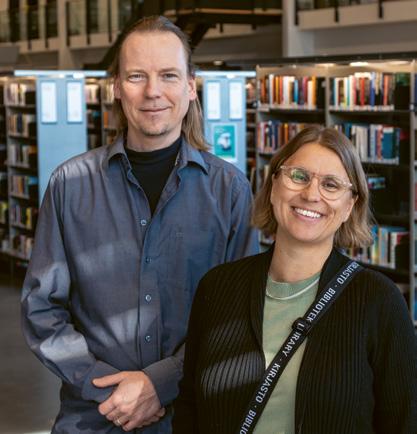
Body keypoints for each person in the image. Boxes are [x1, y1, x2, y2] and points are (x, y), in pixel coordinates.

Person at [21, 16, 258, 434]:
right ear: (116, 86)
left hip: (190, 419)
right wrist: (106, 387)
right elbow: (42, 308)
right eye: (136, 76)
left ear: (190, 86)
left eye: (168, 75)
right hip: (92, 419)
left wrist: (160, 383)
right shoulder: (69, 185)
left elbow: (241, 317)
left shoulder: (230, 191)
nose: (152, 91)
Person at [173, 125, 417, 434]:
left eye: (331, 185)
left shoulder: (379, 301)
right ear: (273, 184)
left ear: (349, 206)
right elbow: (189, 408)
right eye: (298, 176)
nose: (311, 194)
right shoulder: (217, 288)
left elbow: (404, 422)